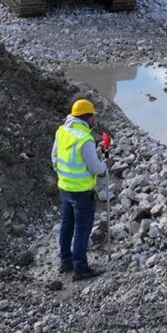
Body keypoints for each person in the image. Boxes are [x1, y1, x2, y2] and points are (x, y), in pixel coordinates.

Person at [54, 99, 108, 281]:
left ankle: (65, 262)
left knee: (67, 225)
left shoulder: (62, 132)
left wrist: (64, 176)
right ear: (87, 117)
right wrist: (105, 166)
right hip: (82, 192)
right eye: (93, 116)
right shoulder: (85, 139)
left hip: (65, 188)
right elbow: (96, 168)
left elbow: (55, 158)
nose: (95, 119)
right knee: (82, 229)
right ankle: (81, 268)